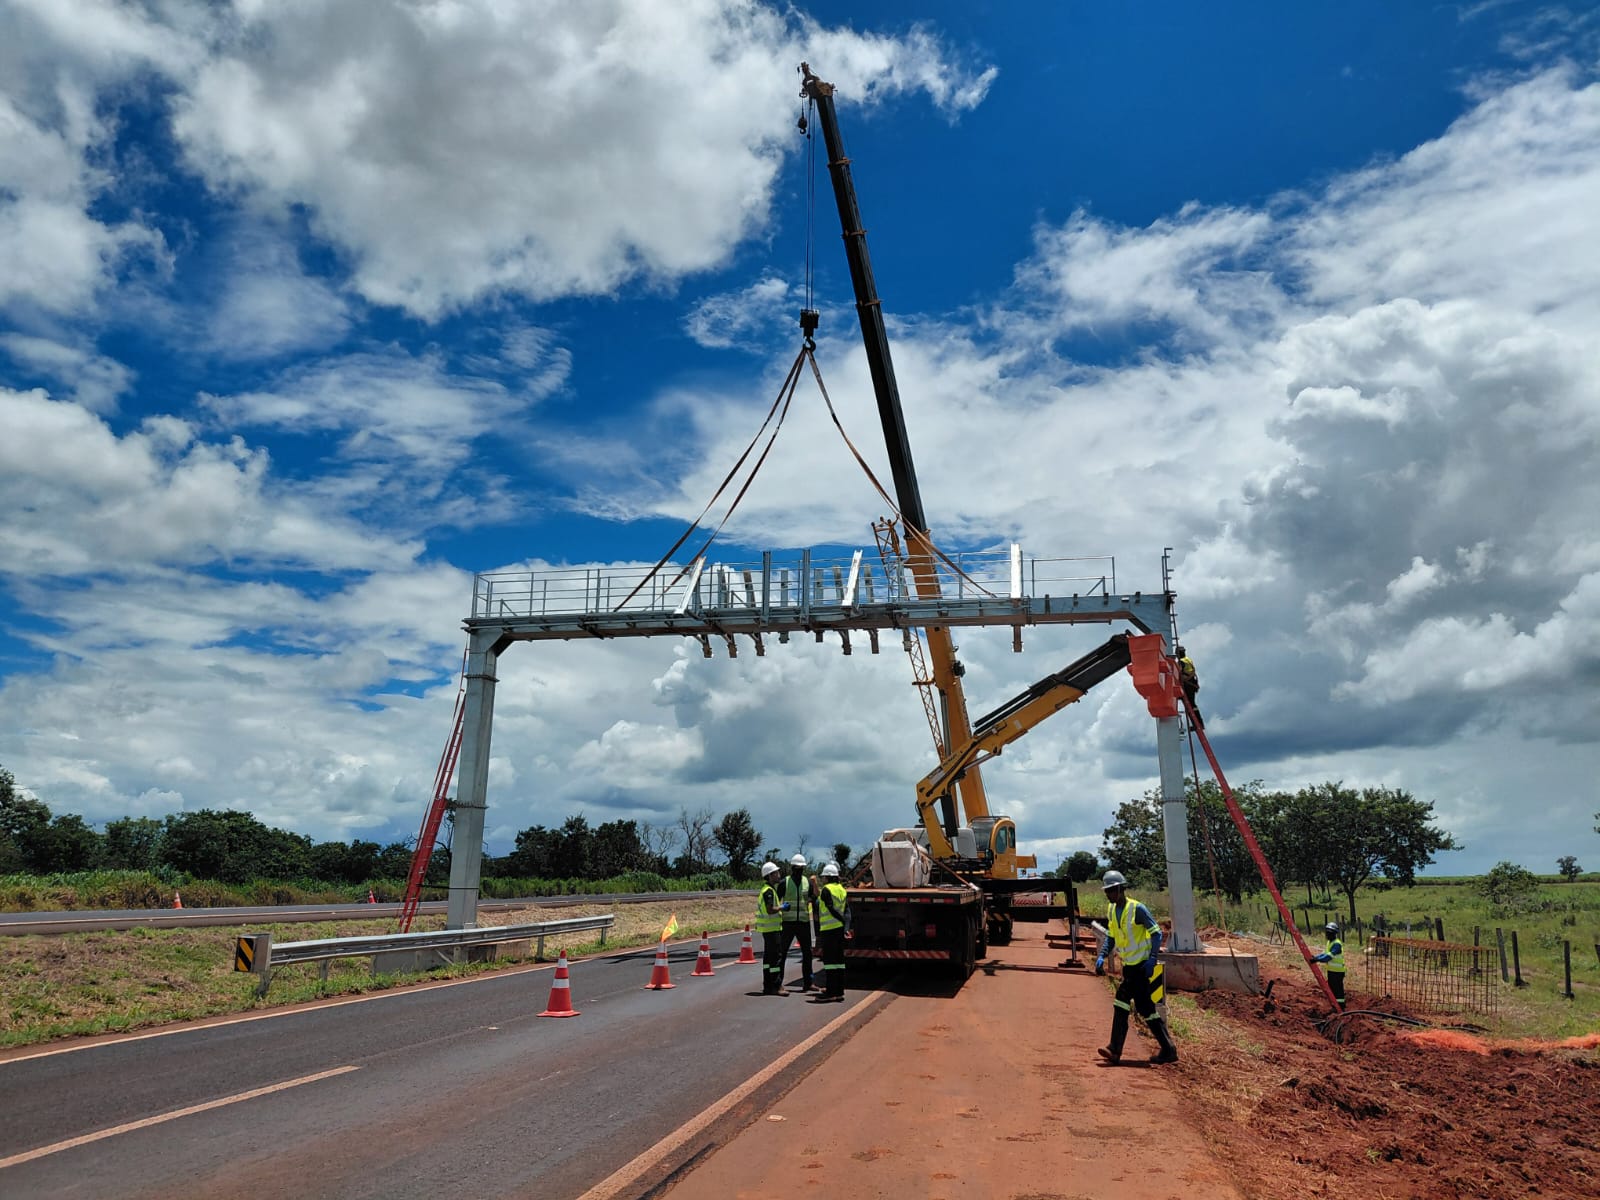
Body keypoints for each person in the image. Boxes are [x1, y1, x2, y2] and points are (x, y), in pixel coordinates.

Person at [1095, 869, 1179, 1065]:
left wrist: (1152, 959)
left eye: (1112, 890)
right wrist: (1102, 955)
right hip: (1129, 966)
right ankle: (1168, 1049)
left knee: (1121, 1001)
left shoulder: (1137, 909)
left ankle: (1115, 1049)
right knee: (1146, 1008)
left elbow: (1156, 933)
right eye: (1107, 891)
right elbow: (1112, 936)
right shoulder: (1111, 910)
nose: (1109, 894)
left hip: (1141, 966)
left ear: (1121, 889)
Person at [777, 853, 817, 992]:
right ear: (793, 868)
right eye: (797, 868)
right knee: (782, 954)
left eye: (801, 868)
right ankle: (778, 983)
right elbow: (777, 901)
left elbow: (812, 897)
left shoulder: (807, 882)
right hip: (788, 923)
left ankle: (808, 982)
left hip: (803, 923)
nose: (799, 870)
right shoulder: (784, 882)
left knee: (807, 953)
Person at [814, 862, 850, 1002]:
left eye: (824, 877)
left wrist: (840, 920)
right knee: (839, 962)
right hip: (839, 930)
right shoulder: (842, 889)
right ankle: (839, 991)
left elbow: (830, 908)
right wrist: (845, 926)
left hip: (829, 931)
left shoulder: (826, 890)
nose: (823, 880)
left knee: (829, 962)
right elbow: (847, 910)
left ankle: (831, 992)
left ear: (828, 877)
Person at [755, 862, 788, 996]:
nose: (778, 875)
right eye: (776, 873)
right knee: (776, 959)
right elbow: (770, 910)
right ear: (770, 876)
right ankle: (776, 985)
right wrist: (782, 907)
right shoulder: (768, 891)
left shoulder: (767, 889)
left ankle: (767, 985)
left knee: (768, 959)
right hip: (771, 929)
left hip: (768, 930)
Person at [1312, 922, 1346, 1010]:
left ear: (1334, 933)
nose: (1328, 935)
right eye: (1327, 932)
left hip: (1338, 972)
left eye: (1330, 933)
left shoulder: (1337, 944)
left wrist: (1317, 959)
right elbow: (1325, 954)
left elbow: (1328, 957)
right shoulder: (1329, 942)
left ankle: (1340, 1007)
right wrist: (1316, 957)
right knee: (1332, 989)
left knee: (1337, 990)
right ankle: (1335, 1005)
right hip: (1331, 971)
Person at [1175, 643, 1203, 730]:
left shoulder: (1181, 662)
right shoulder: (1188, 660)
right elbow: (1192, 671)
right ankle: (1199, 723)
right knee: (1192, 704)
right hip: (1192, 684)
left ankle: (1197, 724)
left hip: (1187, 685)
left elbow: (1179, 674)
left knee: (1190, 705)